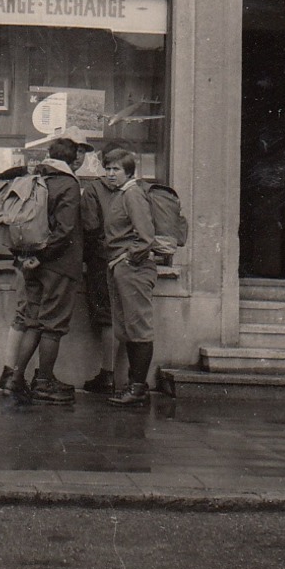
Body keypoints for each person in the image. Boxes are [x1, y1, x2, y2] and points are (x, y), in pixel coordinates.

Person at [0, 135, 85, 404]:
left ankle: (16, 377)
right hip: (58, 264)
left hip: (32, 263)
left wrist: (31, 256)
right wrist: (45, 255)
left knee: (34, 321)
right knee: (53, 325)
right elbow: (66, 230)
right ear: (72, 159)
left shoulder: (38, 178)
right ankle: (45, 382)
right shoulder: (68, 183)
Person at [102, 148, 158, 407]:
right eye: (108, 168)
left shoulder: (133, 194)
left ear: (128, 172)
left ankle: (138, 387)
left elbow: (145, 236)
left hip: (133, 268)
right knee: (127, 328)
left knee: (138, 328)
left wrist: (127, 259)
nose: (110, 174)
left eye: (116, 170)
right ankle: (135, 386)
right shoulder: (123, 194)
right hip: (122, 266)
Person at [78, 145, 125, 395]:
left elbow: (90, 226)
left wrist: (87, 258)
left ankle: (107, 374)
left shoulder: (94, 189)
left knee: (107, 316)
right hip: (128, 260)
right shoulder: (135, 189)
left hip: (102, 259)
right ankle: (123, 377)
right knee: (123, 316)